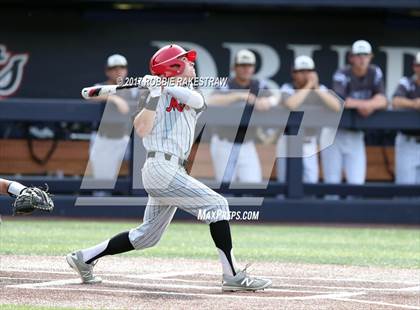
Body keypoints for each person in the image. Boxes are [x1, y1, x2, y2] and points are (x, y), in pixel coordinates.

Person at [66, 44, 272, 292]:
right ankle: (232, 275)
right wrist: (153, 94)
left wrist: (162, 85)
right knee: (218, 205)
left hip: (173, 170)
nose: (192, 65)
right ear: (172, 67)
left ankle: (83, 257)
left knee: (147, 237)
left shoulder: (192, 93)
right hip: (159, 168)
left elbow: (196, 102)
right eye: (186, 61)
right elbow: (141, 129)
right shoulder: (151, 95)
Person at [321, 40, 387, 185]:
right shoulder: (342, 72)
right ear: (351, 57)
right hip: (334, 133)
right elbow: (341, 101)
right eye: (358, 55)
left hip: (356, 133)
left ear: (371, 56)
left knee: (356, 182)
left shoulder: (374, 71)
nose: (362, 59)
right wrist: (367, 105)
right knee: (332, 183)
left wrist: (368, 105)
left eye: (365, 55)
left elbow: (383, 100)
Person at [207, 49, 278, 183]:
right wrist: (241, 95)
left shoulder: (259, 85)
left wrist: (267, 101)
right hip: (224, 143)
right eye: (242, 65)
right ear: (234, 67)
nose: (246, 69)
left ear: (253, 68)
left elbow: (275, 98)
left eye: (249, 65)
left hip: (247, 143)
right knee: (225, 188)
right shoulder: (226, 84)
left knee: (253, 184)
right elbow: (212, 100)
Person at [277, 56, 341, 184]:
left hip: (309, 143)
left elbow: (337, 107)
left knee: (311, 181)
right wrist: (309, 85)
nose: (305, 74)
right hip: (287, 142)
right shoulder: (287, 87)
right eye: (301, 71)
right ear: (293, 73)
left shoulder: (319, 89)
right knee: (284, 181)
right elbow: (291, 104)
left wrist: (315, 88)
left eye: (309, 71)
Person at [87, 54, 138, 183]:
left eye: (121, 67)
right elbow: (88, 93)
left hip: (125, 140)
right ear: (107, 71)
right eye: (114, 68)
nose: (118, 71)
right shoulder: (100, 86)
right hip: (104, 139)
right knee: (102, 183)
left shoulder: (133, 88)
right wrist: (114, 98)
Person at [392, 52, 420, 184]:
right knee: (404, 187)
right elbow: (396, 101)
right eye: (418, 65)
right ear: (414, 66)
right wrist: (415, 103)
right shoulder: (407, 82)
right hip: (407, 141)